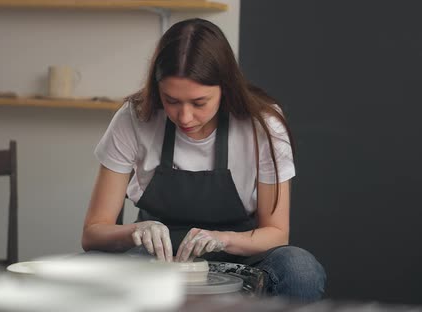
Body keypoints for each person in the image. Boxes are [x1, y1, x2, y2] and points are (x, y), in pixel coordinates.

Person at [82, 18, 326, 302]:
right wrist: (136, 231)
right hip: (154, 257)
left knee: (300, 268)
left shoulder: (264, 125)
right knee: (81, 267)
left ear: (226, 87)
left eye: (199, 103)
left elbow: (276, 233)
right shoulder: (134, 118)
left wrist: (222, 239)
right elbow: (93, 234)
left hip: (241, 255)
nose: (184, 117)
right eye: (171, 100)